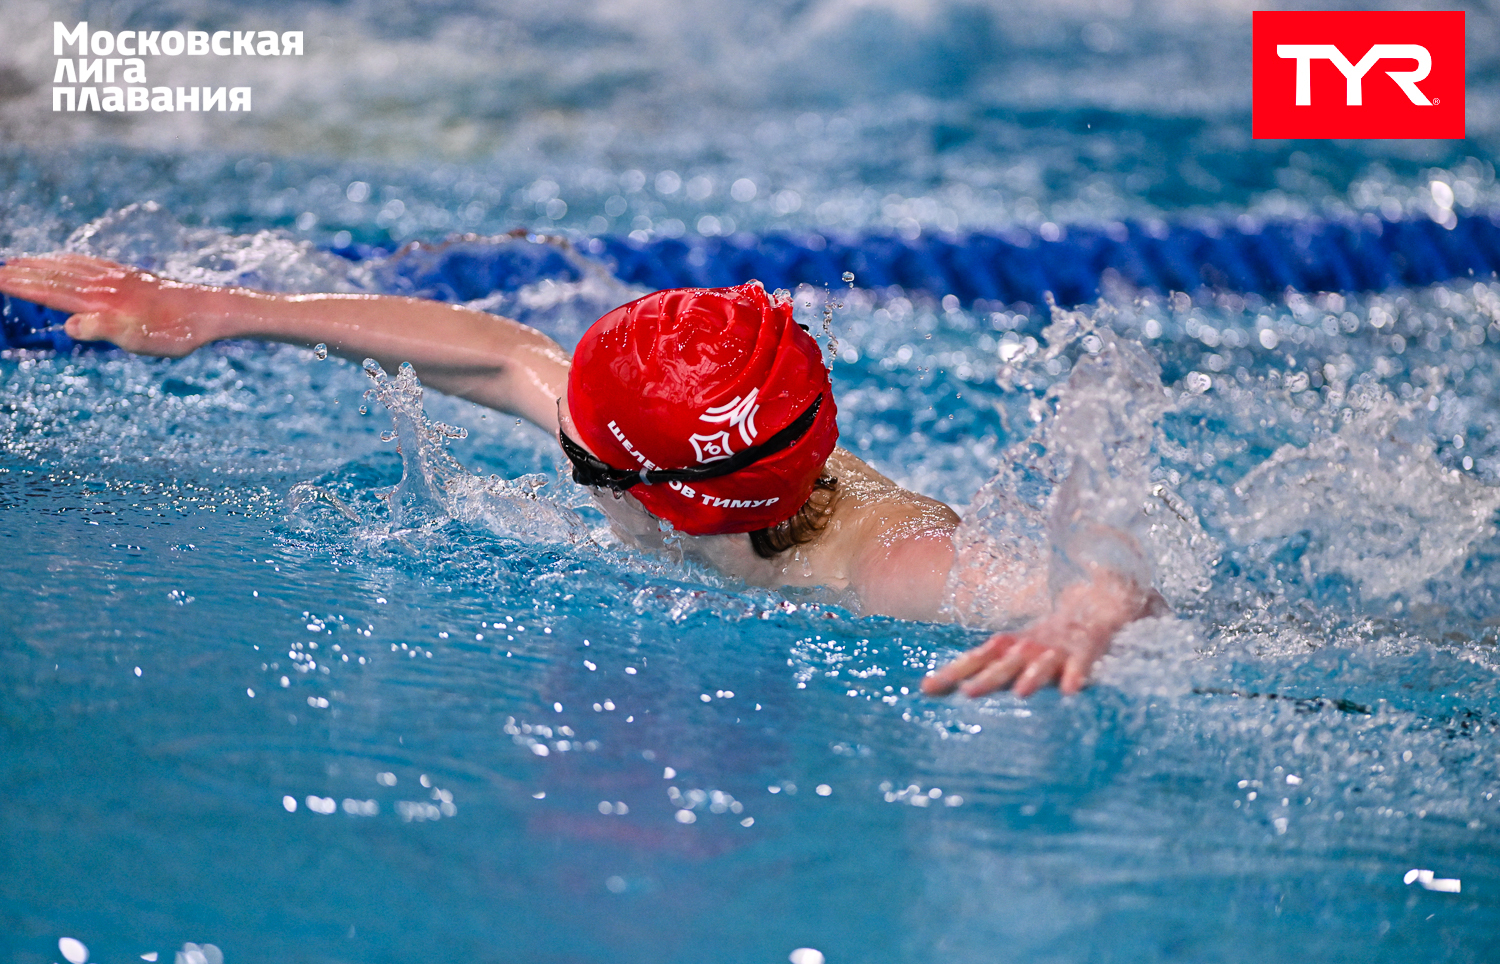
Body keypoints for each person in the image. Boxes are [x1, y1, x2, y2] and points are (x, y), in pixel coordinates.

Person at [0, 253, 1159, 697]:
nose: (553, 430)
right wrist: (225, 311)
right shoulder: (706, 466)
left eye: (573, 445)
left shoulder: (881, 565)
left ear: (641, 490)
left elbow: (1110, 586)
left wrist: (1087, 604)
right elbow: (503, 352)